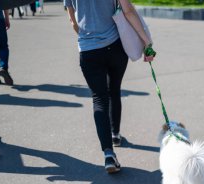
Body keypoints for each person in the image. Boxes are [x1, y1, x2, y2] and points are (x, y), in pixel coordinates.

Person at [64, 0, 156, 173]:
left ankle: (108, 154)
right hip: (115, 47)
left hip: (88, 50)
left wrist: (89, 39)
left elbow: (73, 22)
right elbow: (128, 11)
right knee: (114, 89)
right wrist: (146, 41)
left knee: (99, 99)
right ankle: (115, 134)